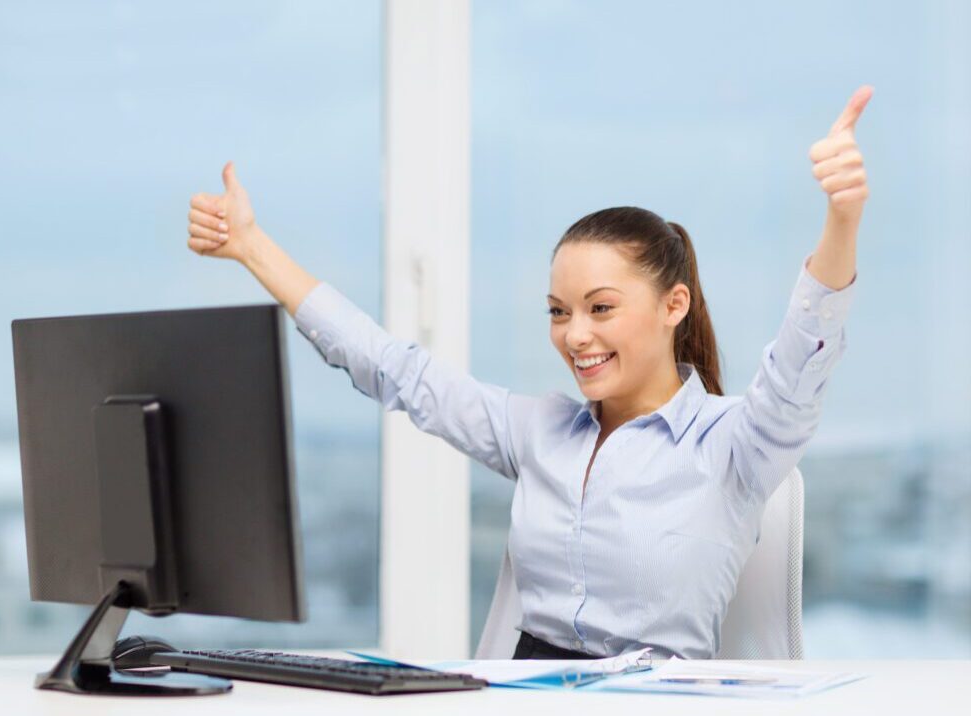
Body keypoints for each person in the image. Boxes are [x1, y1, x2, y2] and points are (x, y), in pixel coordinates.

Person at [186, 86, 873, 660]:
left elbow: (800, 362)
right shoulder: (540, 430)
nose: (575, 335)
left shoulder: (738, 443)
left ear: (674, 305)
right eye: (558, 311)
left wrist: (841, 218)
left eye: (601, 308)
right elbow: (394, 368)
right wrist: (252, 248)